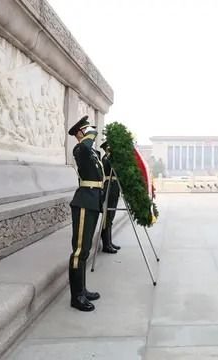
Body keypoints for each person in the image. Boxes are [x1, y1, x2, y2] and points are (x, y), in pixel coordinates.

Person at [67, 115, 104, 312]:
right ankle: (76, 296)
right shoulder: (80, 149)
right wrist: (89, 135)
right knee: (79, 251)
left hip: (93, 201)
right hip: (84, 202)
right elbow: (85, 147)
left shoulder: (92, 152)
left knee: (86, 249)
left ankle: (82, 289)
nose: (92, 132)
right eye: (88, 129)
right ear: (81, 133)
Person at [100, 140, 121, 253]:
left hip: (114, 187)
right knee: (107, 217)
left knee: (111, 216)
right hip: (110, 187)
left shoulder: (109, 158)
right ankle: (106, 244)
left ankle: (109, 241)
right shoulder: (106, 158)